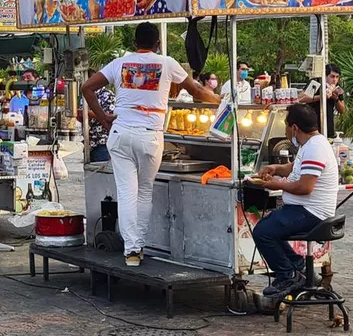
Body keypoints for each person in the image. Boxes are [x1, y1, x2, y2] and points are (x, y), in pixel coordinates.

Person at [82, 23, 220, 266]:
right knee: (145, 192)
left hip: (121, 133)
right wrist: (220, 100)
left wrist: (103, 117)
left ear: (135, 43)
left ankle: (131, 250)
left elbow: (87, 88)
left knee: (126, 194)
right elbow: (198, 91)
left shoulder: (120, 63)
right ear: (158, 43)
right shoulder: (167, 63)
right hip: (149, 137)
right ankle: (137, 247)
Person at [252, 104, 339, 298]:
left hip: (311, 212)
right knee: (270, 227)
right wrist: (275, 168)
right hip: (303, 209)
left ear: (295, 128)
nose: (285, 130)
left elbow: (305, 187)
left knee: (263, 232)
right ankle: (303, 270)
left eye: (286, 125)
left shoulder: (315, 148)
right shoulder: (310, 145)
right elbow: (294, 168)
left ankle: (287, 276)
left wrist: (278, 185)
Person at [299, 64, 346, 138]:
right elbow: (302, 98)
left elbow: (343, 110)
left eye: (337, 77)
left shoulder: (337, 88)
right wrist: (322, 97)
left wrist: (336, 99)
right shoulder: (316, 82)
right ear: (325, 76)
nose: (334, 80)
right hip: (312, 125)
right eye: (332, 76)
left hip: (328, 126)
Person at [84, 69, 115, 163]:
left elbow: (110, 116)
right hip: (88, 142)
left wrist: (87, 113)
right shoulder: (84, 96)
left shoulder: (107, 95)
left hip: (101, 141)